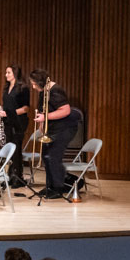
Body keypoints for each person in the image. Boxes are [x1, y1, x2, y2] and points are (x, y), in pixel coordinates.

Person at [30, 69, 79, 199]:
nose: (33, 86)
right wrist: (42, 125)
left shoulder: (55, 90)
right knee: (46, 156)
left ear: (40, 82)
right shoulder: (43, 91)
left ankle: (58, 188)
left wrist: (45, 117)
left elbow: (65, 110)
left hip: (64, 128)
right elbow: (43, 110)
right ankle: (49, 186)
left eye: (34, 84)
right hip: (52, 128)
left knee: (53, 156)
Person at [0, 65, 30, 189]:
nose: (6, 75)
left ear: (15, 73)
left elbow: (26, 108)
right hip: (8, 121)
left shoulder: (23, 88)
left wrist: (9, 113)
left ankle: (18, 176)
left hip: (19, 122)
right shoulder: (7, 88)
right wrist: (3, 112)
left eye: (8, 72)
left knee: (16, 149)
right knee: (9, 148)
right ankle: (10, 175)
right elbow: (6, 105)